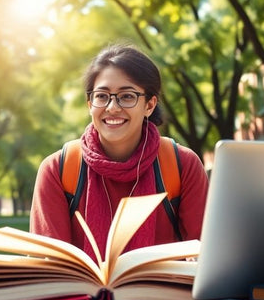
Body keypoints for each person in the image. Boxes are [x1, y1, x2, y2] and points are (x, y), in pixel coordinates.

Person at [30, 43, 208, 262]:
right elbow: (48, 266)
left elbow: (206, 255)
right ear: (89, 104)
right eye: (102, 96)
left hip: (165, 296)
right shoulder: (58, 169)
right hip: (78, 296)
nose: (112, 107)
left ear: (150, 105)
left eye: (127, 96)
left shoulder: (182, 165)